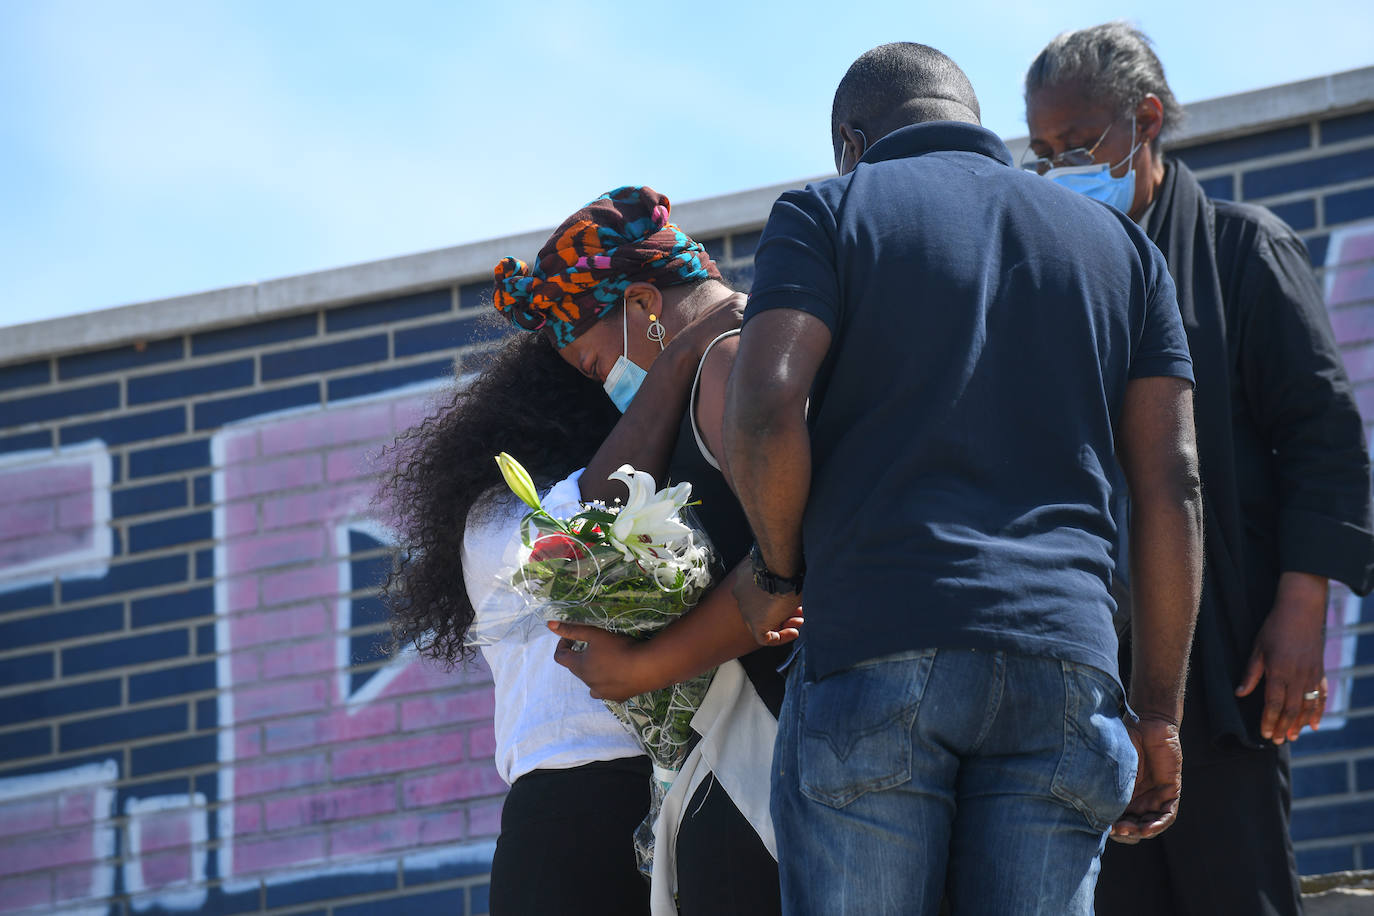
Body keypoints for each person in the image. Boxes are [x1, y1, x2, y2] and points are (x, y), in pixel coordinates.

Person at [721, 43, 1203, 915]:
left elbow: (761, 411)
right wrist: (1160, 713)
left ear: (850, 143)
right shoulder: (1123, 248)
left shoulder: (826, 211)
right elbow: (1173, 484)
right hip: (1066, 660)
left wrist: (781, 571)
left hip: (875, 637)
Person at [1023, 23, 1374, 916]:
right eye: (1043, 154)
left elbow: (1324, 437)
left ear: (1145, 120)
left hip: (1225, 671)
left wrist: (1304, 613)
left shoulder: (1241, 251)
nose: (1063, 168)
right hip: (1095, 682)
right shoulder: (1061, 286)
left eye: (1080, 144)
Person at [489, 186, 787, 916]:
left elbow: (796, 566)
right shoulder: (727, 357)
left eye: (595, 365)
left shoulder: (731, 364)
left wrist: (648, 665)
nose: (608, 386)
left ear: (645, 304)